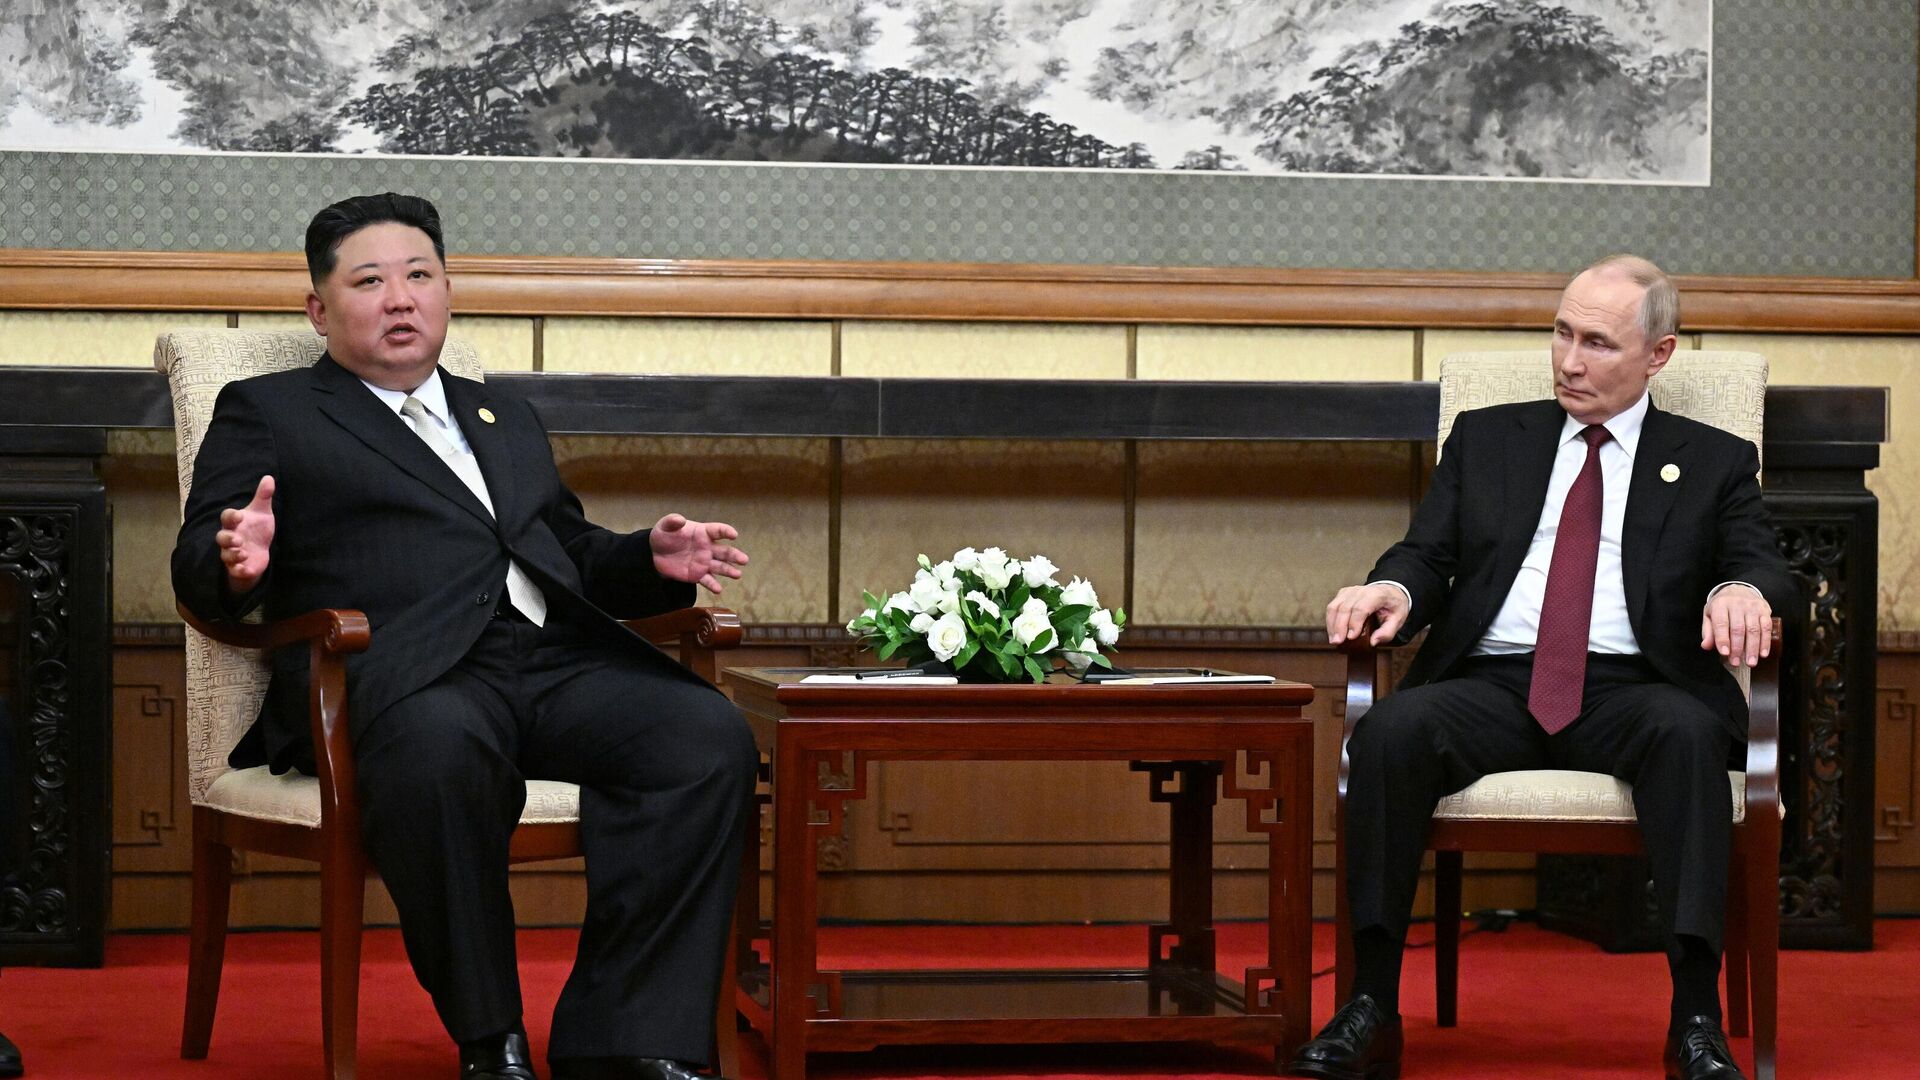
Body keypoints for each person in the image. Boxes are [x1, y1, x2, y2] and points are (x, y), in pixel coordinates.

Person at [172, 192, 758, 1080]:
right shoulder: (270, 409)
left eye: (420, 276)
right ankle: (491, 1039)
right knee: (441, 756)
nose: (400, 299)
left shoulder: (501, 415)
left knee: (704, 738)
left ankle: (627, 1037)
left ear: (447, 292)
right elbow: (195, 570)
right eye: (370, 282)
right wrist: (236, 563)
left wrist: (648, 558)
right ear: (319, 310)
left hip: (549, 662)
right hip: (402, 674)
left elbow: (563, 552)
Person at [1292, 255, 1794, 1080]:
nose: (1569, 361)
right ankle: (1370, 1006)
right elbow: (1427, 554)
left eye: (1598, 343)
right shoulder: (1490, 438)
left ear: (1658, 355)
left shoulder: (1713, 459)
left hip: (1637, 689)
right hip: (1494, 681)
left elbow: (1763, 565)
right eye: (1562, 334)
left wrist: (1740, 590)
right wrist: (1391, 588)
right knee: (1389, 733)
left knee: (1688, 737)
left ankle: (1696, 1022)